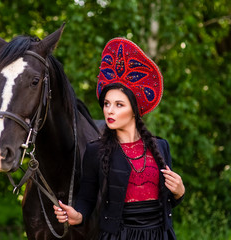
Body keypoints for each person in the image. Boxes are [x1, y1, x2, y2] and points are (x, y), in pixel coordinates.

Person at [53, 38, 185, 239]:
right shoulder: (95, 151)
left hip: (160, 235)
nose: (109, 111)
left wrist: (179, 191)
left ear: (134, 110)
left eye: (119, 105)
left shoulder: (161, 147)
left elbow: (168, 201)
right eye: (107, 104)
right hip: (118, 235)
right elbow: (87, 199)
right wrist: (77, 215)